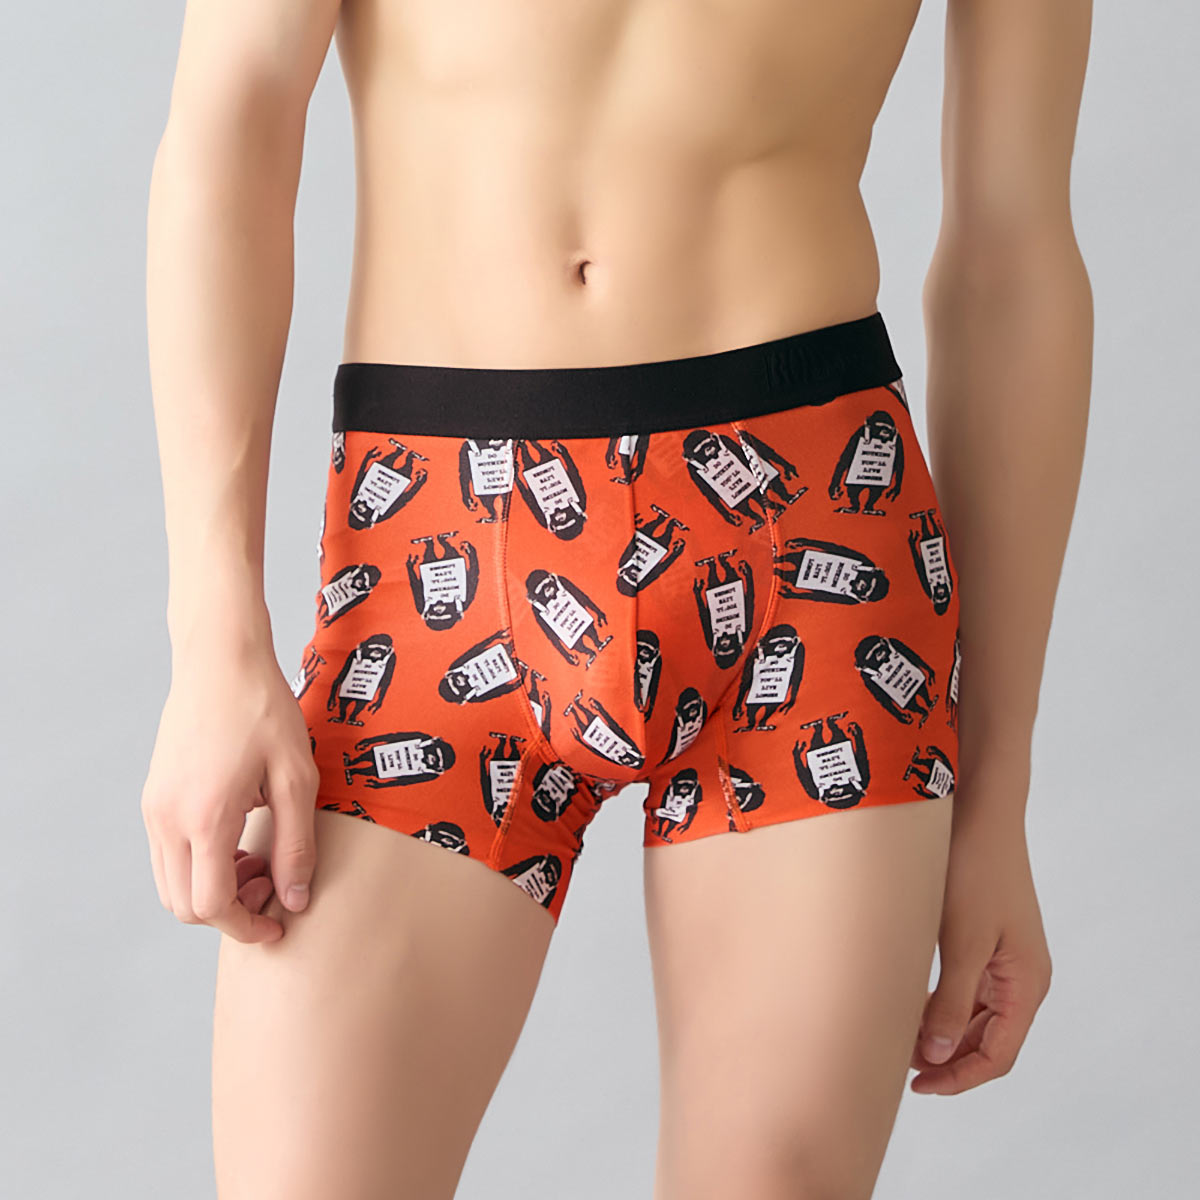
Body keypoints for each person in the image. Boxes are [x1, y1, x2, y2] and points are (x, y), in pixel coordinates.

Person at [140, 1, 1092, 1196]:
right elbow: (230, 122)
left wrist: (997, 792)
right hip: (440, 542)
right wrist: (213, 638)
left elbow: (1014, 252)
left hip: (813, 549)